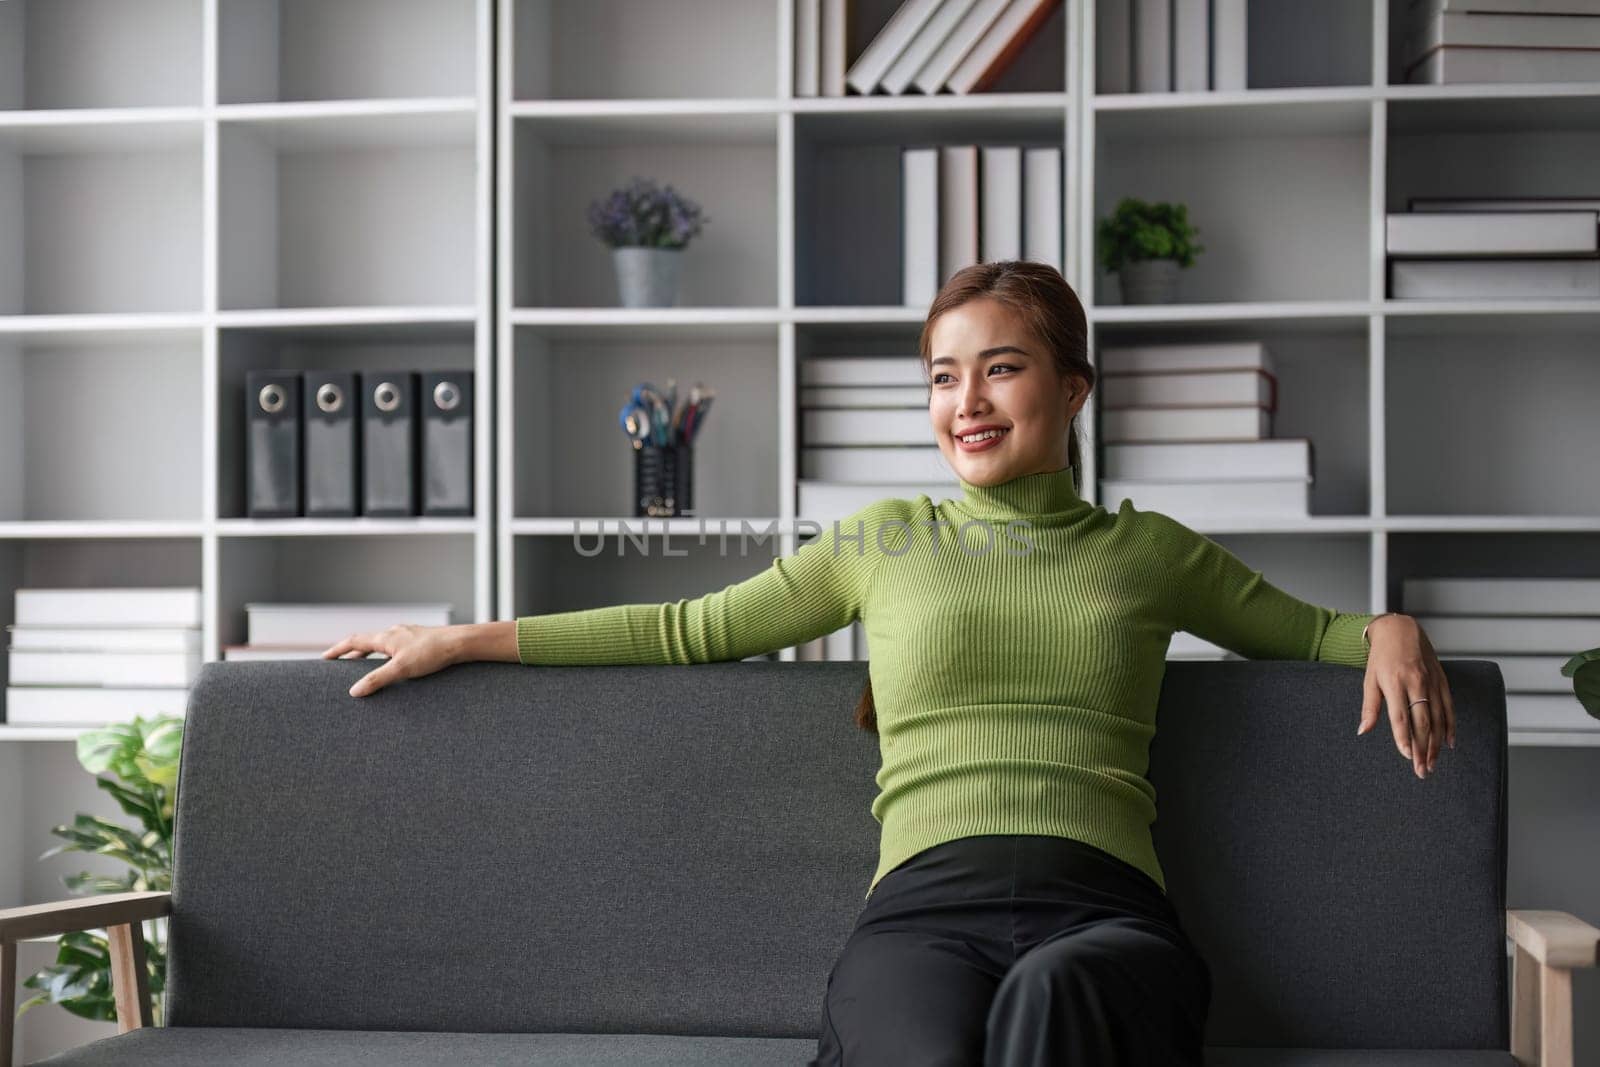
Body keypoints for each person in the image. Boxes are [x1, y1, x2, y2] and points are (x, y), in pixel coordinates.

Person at [322, 260, 1456, 1066]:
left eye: (999, 369)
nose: (964, 401)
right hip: (922, 911)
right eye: (940, 375)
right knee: (918, 1036)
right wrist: (464, 637)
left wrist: (1389, 627)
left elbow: (1316, 632)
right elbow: (685, 626)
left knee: (1058, 1000)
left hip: (1103, 912)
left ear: (1070, 388)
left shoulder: (1145, 550)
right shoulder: (880, 541)